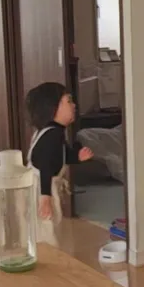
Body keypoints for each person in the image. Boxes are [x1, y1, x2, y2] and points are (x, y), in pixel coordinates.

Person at [24, 82, 93, 245]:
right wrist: (45, 197)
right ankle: (47, 253)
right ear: (52, 108)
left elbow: (60, 156)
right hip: (42, 187)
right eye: (68, 101)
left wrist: (77, 157)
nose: (74, 105)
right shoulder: (52, 135)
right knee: (45, 226)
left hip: (41, 185)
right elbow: (46, 166)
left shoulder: (51, 132)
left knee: (47, 224)